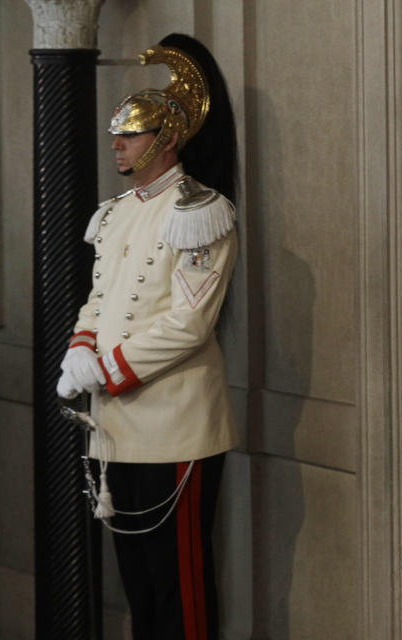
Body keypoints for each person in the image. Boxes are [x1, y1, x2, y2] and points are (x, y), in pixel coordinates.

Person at [55, 33, 238, 639]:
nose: (117, 144)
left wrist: (105, 368)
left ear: (165, 138)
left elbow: (189, 323)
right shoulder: (117, 211)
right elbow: (99, 299)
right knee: (138, 585)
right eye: (117, 134)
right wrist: (80, 350)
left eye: (129, 134)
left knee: (178, 585)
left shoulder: (199, 209)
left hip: (173, 423)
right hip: (115, 425)